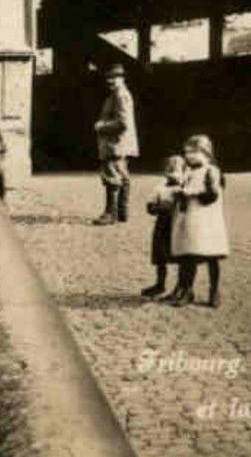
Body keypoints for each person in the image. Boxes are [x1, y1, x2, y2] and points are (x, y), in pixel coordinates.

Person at [169, 133, 229, 308]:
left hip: (208, 220)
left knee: (211, 256)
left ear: (205, 152)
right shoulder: (187, 172)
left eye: (194, 151)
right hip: (189, 219)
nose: (189, 155)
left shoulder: (212, 170)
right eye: (187, 152)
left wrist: (192, 193)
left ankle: (214, 290)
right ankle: (187, 290)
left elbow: (212, 194)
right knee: (188, 256)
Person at [92, 64, 138, 225]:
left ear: (122, 78)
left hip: (115, 143)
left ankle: (110, 214)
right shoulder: (119, 94)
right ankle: (122, 212)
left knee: (112, 177)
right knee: (123, 176)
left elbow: (123, 122)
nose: (110, 81)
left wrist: (101, 126)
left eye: (114, 77)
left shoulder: (120, 95)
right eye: (109, 78)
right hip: (120, 143)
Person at [141, 154, 185, 297]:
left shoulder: (185, 188)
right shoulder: (160, 188)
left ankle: (181, 286)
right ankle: (160, 284)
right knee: (161, 256)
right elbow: (150, 207)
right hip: (163, 224)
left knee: (181, 255)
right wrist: (161, 208)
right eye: (170, 171)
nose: (173, 176)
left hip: (179, 224)